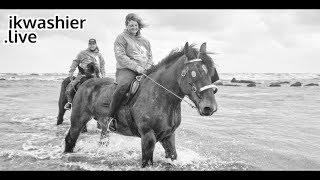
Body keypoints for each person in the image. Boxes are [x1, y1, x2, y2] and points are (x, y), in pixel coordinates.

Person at [106, 13, 154, 130]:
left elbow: (150, 57)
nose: (133, 28)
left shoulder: (145, 41)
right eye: (131, 25)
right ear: (126, 25)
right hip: (126, 69)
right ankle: (110, 118)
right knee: (123, 86)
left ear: (139, 26)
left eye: (135, 25)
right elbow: (120, 56)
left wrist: (147, 67)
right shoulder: (121, 38)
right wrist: (136, 67)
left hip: (144, 70)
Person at [64, 38, 106, 110]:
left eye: (93, 44)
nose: (92, 46)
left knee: (105, 89)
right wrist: (71, 71)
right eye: (90, 44)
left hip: (95, 75)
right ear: (88, 45)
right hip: (82, 74)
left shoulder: (99, 55)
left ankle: (104, 105)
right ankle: (70, 103)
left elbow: (102, 66)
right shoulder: (82, 53)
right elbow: (75, 62)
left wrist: (103, 75)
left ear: (96, 45)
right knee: (70, 87)